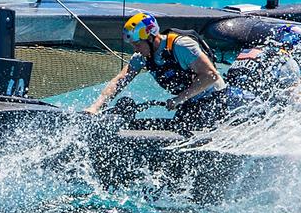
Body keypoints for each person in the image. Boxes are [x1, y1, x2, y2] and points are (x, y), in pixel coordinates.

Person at [84, 12, 250, 130]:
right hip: (191, 103)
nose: (135, 49)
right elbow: (120, 80)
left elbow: (210, 75)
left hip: (216, 100)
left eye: (137, 44)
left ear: (151, 38)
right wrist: (95, 107)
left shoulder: (182, 46)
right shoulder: (143, 56)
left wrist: (179, 99)